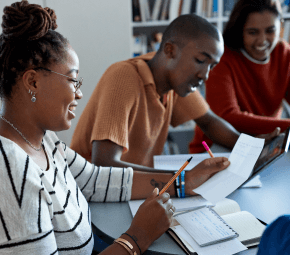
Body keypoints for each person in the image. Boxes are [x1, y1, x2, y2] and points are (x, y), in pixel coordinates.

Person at [0, 1, 180, 254]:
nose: (79, 94)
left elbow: (92, 180)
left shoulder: (28, 133)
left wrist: (184, 180)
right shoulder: (12, 171)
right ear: (32, 81)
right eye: (73, 80)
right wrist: (138, 236)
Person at [71, 14, 277, 197]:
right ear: (169, 50)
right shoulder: (124, 77)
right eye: (199, 60)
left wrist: (252, 148)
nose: (205, 75)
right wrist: (184, 179)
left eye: (211, 66)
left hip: (134, 190)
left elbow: (209, 122)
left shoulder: (174, 81)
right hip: (94, 195)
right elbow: (105, 164)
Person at [190, 0, 290, 153]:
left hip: (265, 144)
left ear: (280, 26)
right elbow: (228, 116)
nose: (262, 40)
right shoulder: (222, 57)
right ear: (240, 30)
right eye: (252, 32)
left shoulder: (284, 54)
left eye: (270, 30)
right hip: (218, 148)